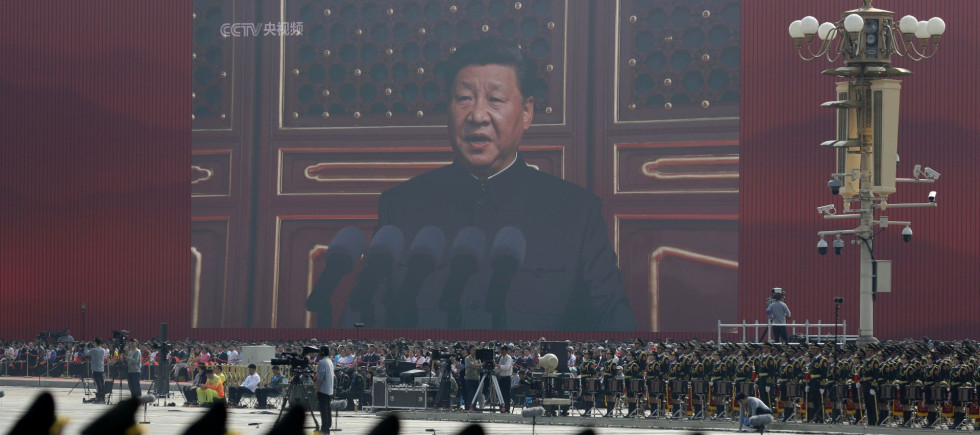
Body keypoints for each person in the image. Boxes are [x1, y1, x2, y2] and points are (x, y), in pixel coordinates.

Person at [339, 37, 635, 332]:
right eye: (464, 98)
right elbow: (360, 322)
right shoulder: (402, 207)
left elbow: (615, 329)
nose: (477, 115)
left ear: (527, 112)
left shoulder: (575, 214)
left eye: (495, 100)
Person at [316, 346, 334, 433]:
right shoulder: (329, 361)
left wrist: (316, 389)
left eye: (319, 351)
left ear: (322, 352)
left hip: (323, 389)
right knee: (327, 409)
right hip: (329, 389)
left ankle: (324, 428)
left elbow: (320, 378)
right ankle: (328, 426)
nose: (318, 353)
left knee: (323, 410)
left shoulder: (322, 362)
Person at [84, 338, 107, 403]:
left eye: (94, 343)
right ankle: (102, 398)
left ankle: (99, 398)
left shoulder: (94, 350)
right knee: (102, 384)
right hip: (101, 369)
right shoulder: (103, 350)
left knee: (97, 384)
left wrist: (86, 346)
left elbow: (86, 353)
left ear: (96, 343)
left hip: (95, 370)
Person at [495, 345, 513, 413]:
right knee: (500, 394)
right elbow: (499, 369)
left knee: (506, 395)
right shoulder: (501, 358)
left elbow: (507, 367)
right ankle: (501, 408)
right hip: (501, 378)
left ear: (505, 351)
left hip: (507, 378)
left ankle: (507, 409)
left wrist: (498, 365)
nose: (501, 352)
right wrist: (494, 369)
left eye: (502, 350)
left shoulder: (508, 358)